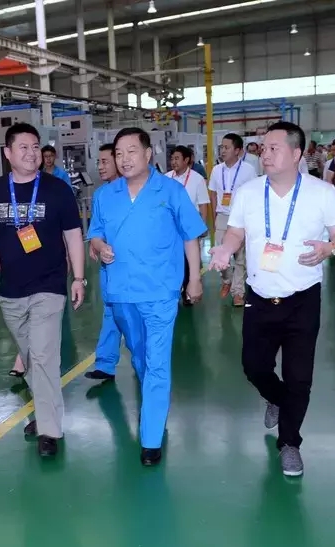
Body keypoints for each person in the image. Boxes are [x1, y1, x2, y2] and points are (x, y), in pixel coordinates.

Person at [207, 121, 335, 477]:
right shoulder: (249, 192)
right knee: (254, 367)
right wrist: (225, 248)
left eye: (273, 148)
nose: (265, 154)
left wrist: (330, 248)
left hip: (303, 299)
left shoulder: (321, 192)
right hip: (259, 296)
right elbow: (235, 231)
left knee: (299, 378)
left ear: (296, 153)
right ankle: (275, 397)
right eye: (263, 148)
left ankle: (289, 443)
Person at [0, 123, 86, 458]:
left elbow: (74, 235)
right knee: (30, 356)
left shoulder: (57, 190)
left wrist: (78, 278)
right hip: (11, 290)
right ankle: (45, 410)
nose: (31, 154)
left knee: (44, 356)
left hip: (49, 285)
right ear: (8, 153)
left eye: (35, 147)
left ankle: (49, 429)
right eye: (24, 147)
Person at [88, 127, 206, 466]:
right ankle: (151, 397)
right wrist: (100, 246)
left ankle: (151, 438)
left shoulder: (170, 191)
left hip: (160, 292)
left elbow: (190, 236)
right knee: (139, 356)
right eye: (118, 153)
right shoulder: (105, 195)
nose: (124, 159)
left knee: (157, 362)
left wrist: (194, 278)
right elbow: (95, 235)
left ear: (148, 153)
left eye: (131, 151)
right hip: (121, 293)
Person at [85, 143, 122, 382]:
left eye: (105, 161)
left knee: (134, 316)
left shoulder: (134, 190)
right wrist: (95, 243)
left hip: (133, 265)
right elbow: (97, 227)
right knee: (110, 310)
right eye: (98, 162)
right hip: (109, 264)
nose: (100, 166)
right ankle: (105, 364)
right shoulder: (100, 194)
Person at [208, 133, 258, 306]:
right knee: (220, 254)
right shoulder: (216, 170)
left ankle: (238, 292)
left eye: (227, 147)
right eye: (222, 147)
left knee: (240, 257)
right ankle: (226, 280)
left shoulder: (248, 170)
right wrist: (214, 216)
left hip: (242, 218)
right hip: (222, 216)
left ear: (237, 150)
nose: (223, 150)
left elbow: (254, 195)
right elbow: (213, 194)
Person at [166, 145, 210, 306]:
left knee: (188, 259)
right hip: (171, 226)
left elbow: (203, 204)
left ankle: (187, 291)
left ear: (186, 160)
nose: (174, 162)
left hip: (190, 226)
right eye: (172, 158)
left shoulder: (197, 179)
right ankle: (174, 290)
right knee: (173, 259)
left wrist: (203, 226)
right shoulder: (166, 178)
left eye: (177, 158)